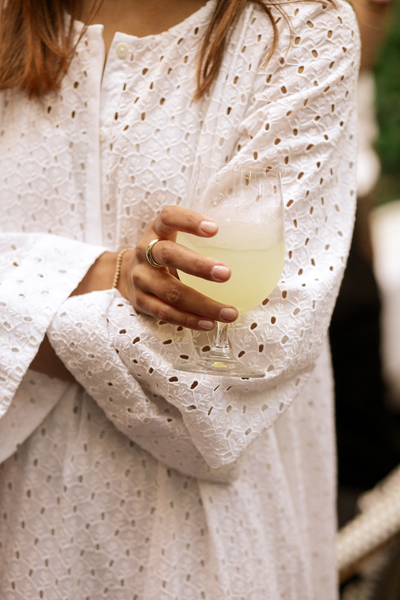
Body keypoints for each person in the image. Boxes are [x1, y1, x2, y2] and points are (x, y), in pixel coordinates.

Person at [0, 0, 359, 598]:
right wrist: (99, 276)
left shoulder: (297, 27)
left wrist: (22, 296)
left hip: (195, 552)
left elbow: (232, 363)